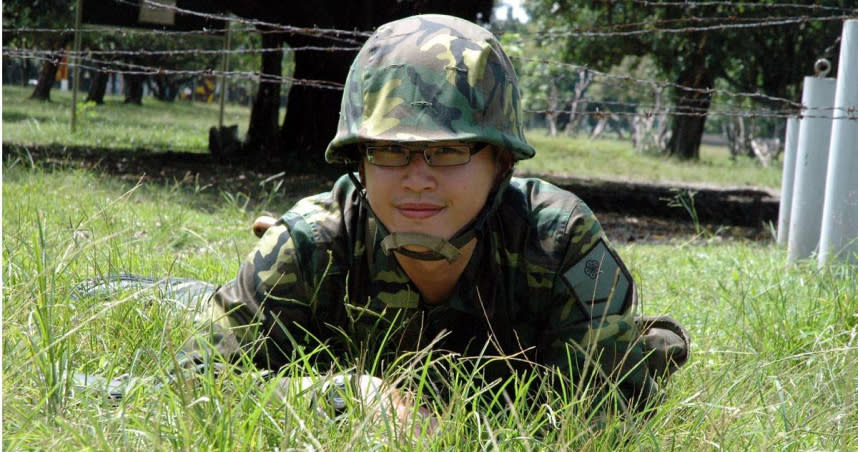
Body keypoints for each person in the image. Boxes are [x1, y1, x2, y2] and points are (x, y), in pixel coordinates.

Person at [80, 14, 689, 433]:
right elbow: (191, 386)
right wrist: (345, 396)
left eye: (448, 151)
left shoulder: (557, 242)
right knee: (186, 302)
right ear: (359, 160)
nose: (417, 177)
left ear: (500, 161)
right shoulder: (311, 242)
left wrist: (451, 414)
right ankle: (158, 290)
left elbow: (614, 408)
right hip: (299, 309)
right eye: (390, 151)